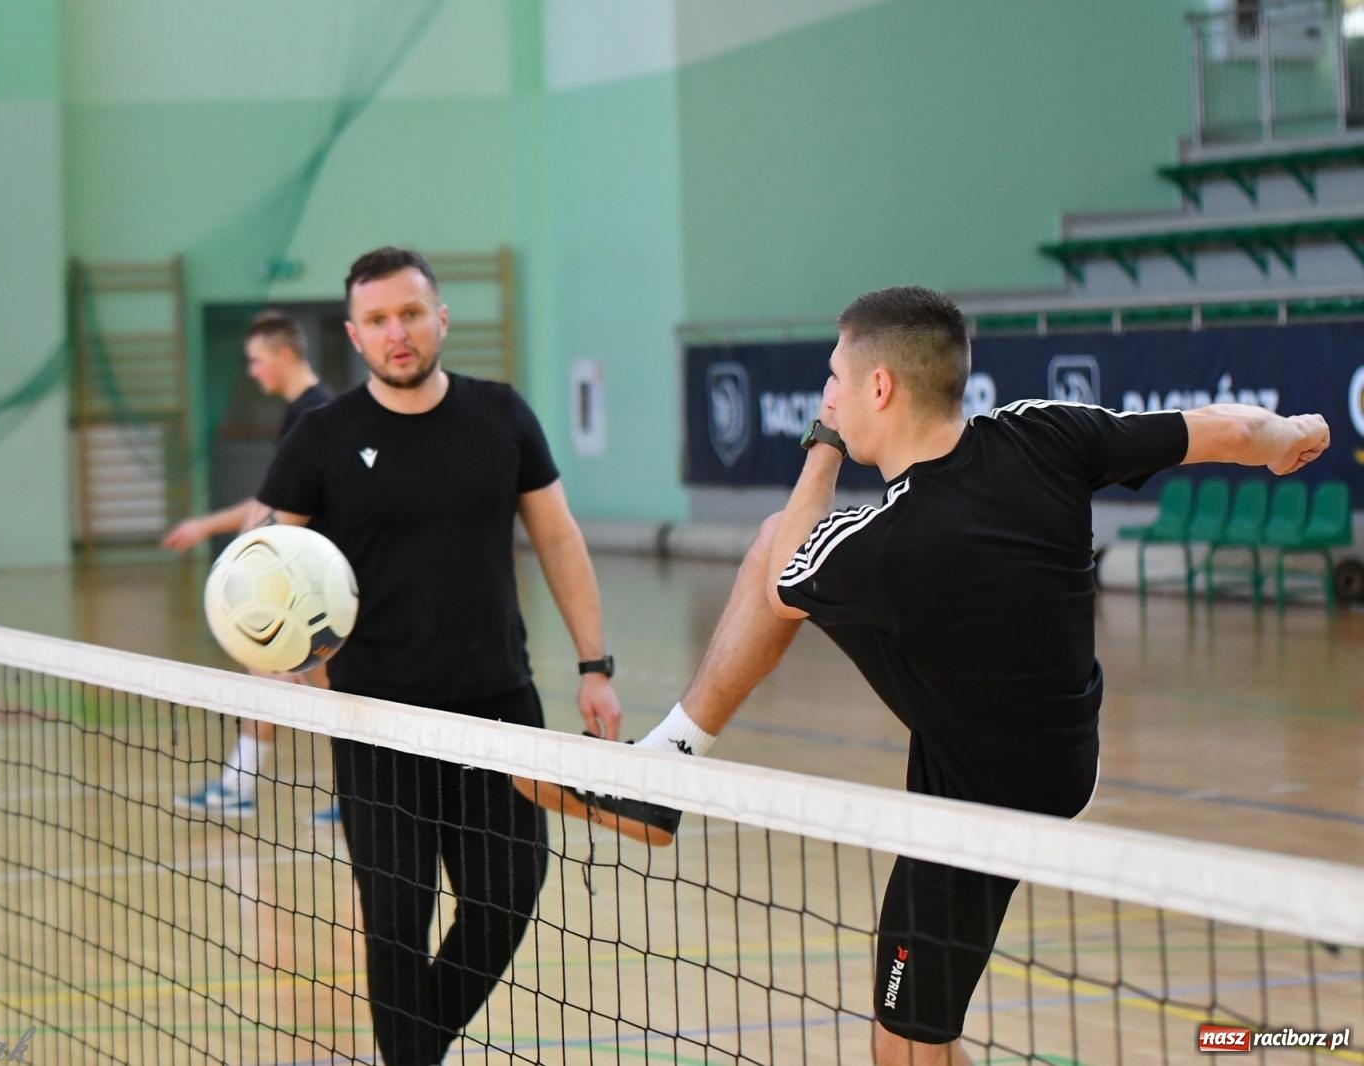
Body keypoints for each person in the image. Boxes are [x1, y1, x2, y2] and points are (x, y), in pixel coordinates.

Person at [569, 286, 1330, 1065]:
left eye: (836, 377)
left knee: (778, 547)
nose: (828, 390)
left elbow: (782, 580)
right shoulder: (1044, 433)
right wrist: (1291, 434)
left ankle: (668, 763)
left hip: (974, 800)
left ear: (878, 387)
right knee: (905, 1045)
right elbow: (1227, 426)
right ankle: (664, 770)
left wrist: (823, 441)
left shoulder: (884, 547)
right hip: (1062, 757)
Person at [255, 246, 622, 1064]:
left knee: (507, 897)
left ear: (442, 317)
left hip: (498, 708)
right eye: (379, 319)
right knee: (396, 922)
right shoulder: (322, 437)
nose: (398, 332)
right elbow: (279, 571)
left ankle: (411, 1053)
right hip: (377, 717)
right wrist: (296, 668)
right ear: (354, 335)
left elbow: (558, 538)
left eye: (412, 313)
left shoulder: (501, 417)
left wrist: (595, 666)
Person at [172, 310, 334, 818]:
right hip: (298, 574)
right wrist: (210, 528)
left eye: (257, 360)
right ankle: (239, 784)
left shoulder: (315, 414)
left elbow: (276, 505)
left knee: (315, 685)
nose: (252, 371)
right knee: (269, 669)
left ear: (285, 356)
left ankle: (362, 795)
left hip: (316, 579)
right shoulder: (298, 412)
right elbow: (270, 498)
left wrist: (241, 550)